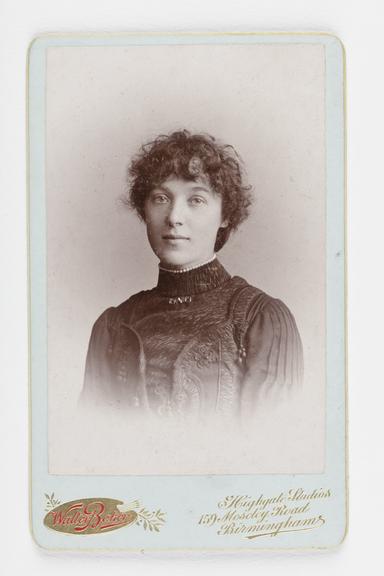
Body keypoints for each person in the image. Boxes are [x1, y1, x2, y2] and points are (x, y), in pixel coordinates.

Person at [81, 130, 303, 421]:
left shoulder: (261, 319)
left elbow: (271, 452)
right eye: (161, 198)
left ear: (225, 215)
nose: (174, 217)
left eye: (196, 200)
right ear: (144, 210)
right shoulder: (113, 325)